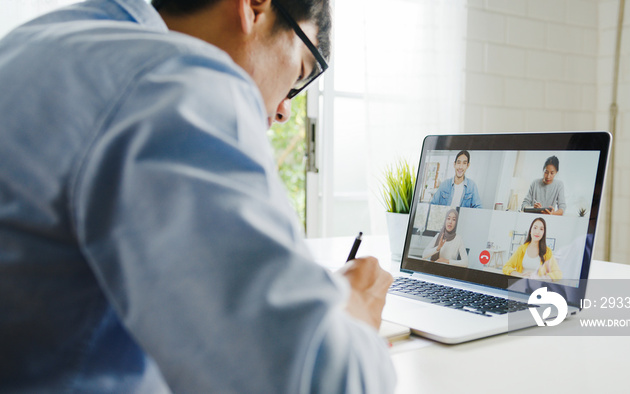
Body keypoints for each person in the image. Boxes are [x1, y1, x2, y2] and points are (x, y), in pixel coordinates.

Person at [0, 0, 396, 392]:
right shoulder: (172, 82)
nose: (285, 111)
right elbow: (324, 381)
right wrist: (351, 308)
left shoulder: (30, 45)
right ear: (255, 7)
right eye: (301, 73)